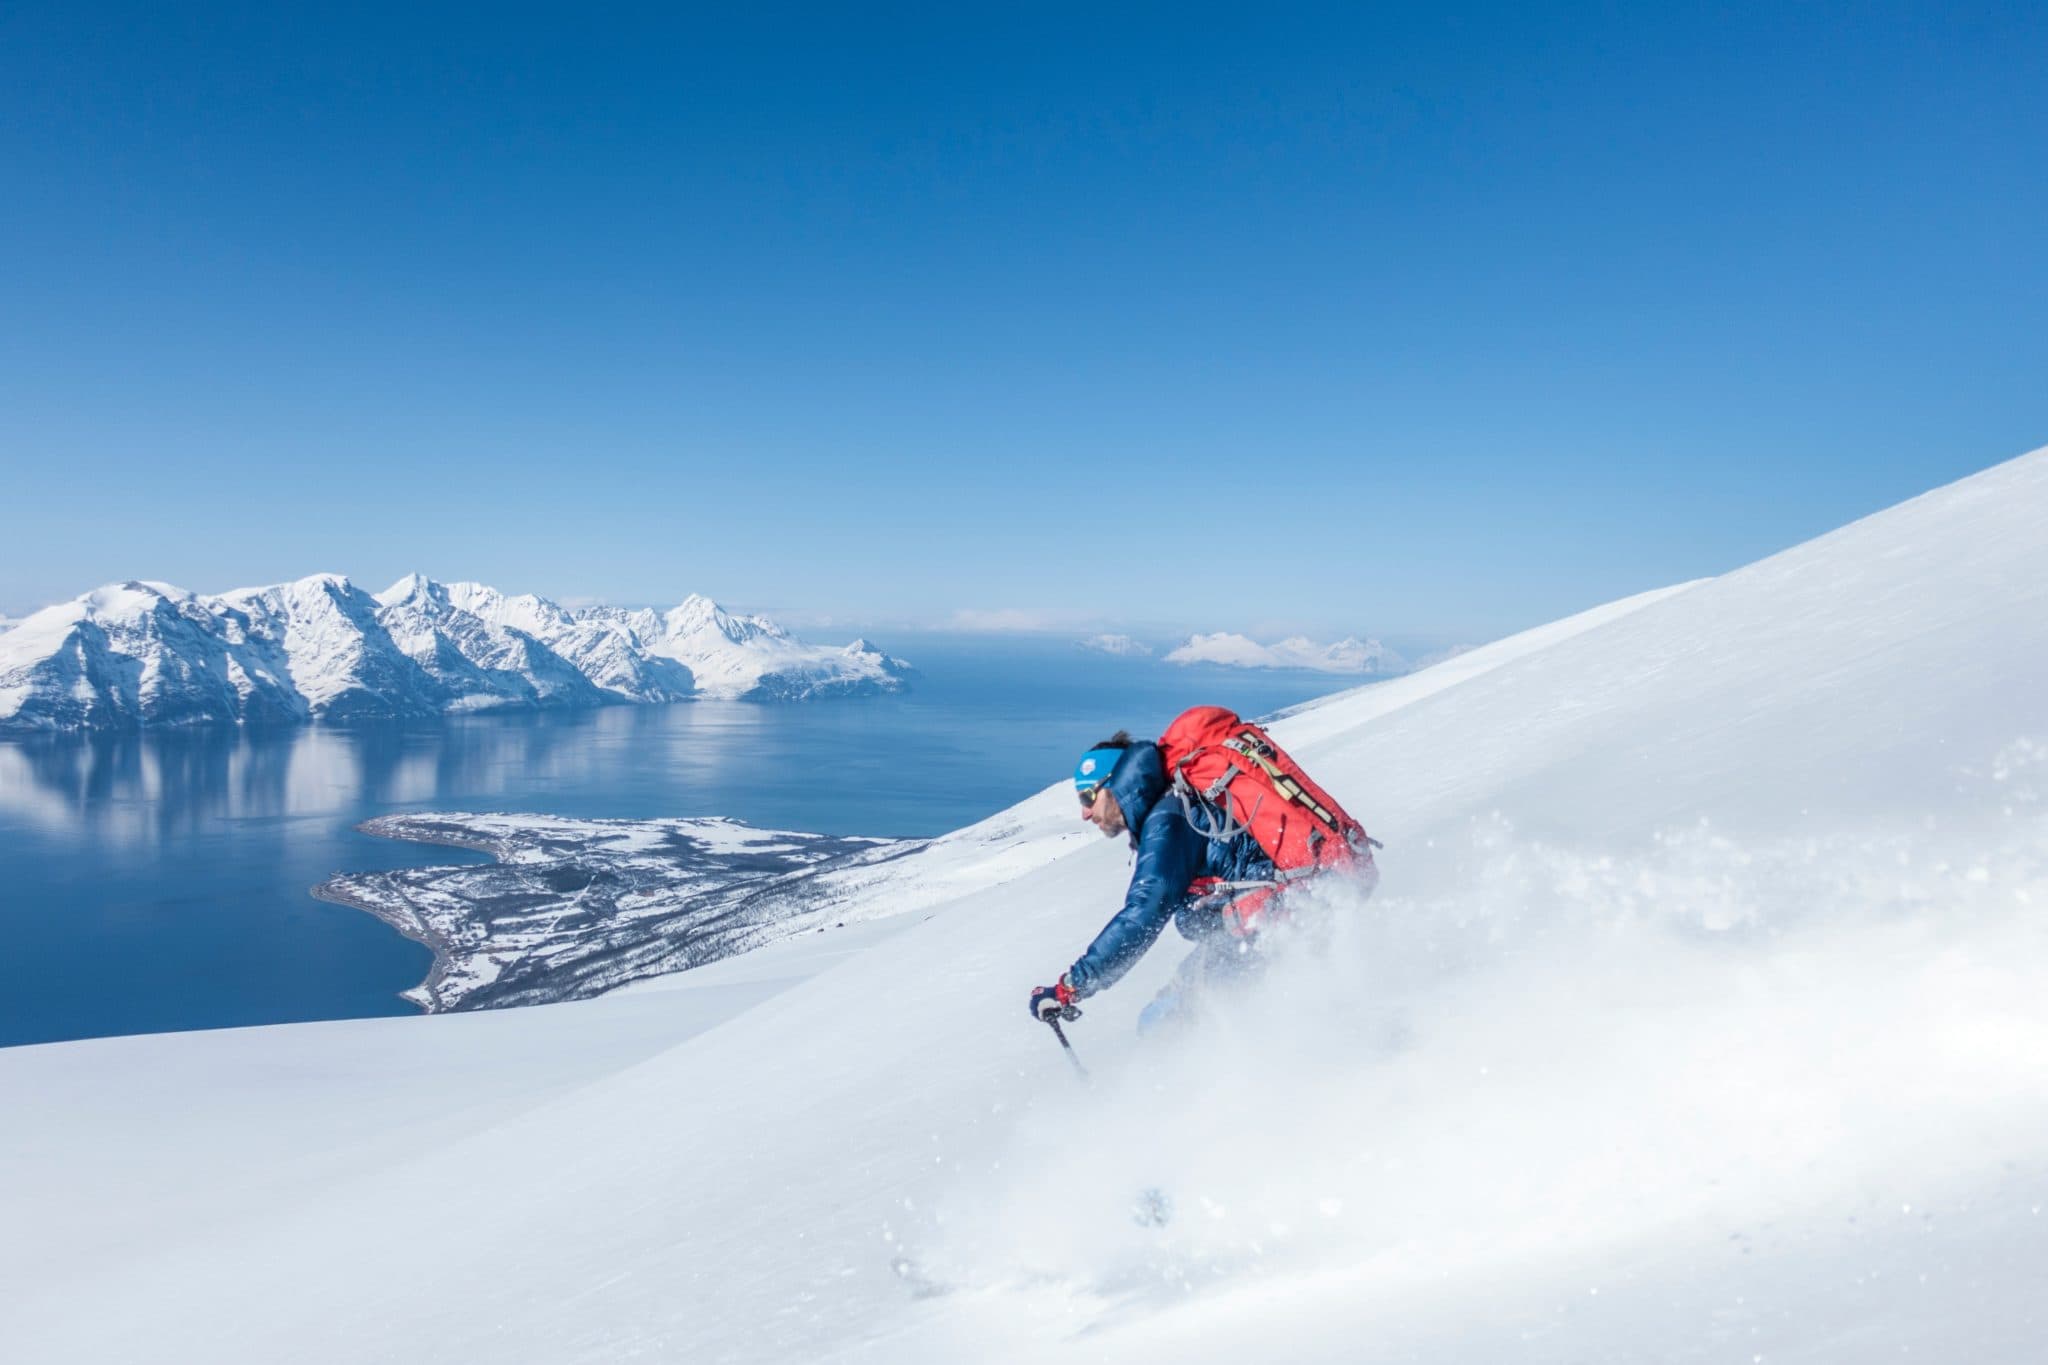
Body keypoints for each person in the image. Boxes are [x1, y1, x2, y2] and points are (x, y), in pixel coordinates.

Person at [1028, 730, 1278, 1035]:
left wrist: (1070, 987)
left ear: (1114, 785)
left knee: (1165, 1025)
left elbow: (1143, 913)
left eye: (1087, 797)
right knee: (1164, 1015)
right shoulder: (1173, 811)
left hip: (1269, 925)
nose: (1084, 813)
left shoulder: (1167, 822)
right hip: (1257, 924)